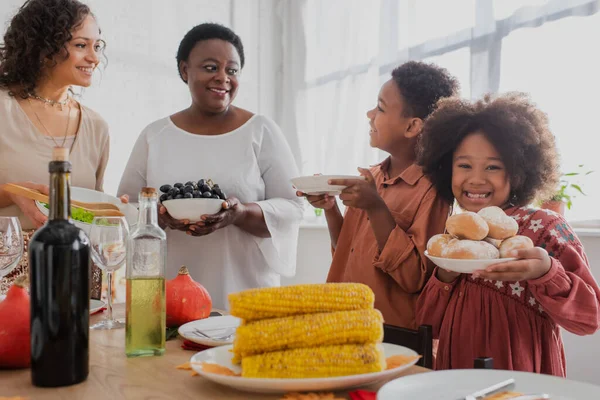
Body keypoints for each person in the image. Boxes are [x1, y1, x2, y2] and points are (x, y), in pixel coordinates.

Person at [118, 23, 303, 310]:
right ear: (184, 70)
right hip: (168, 296)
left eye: (232, 70)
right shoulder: (154, 136)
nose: (222, 78)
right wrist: (159, 217)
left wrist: (239, 213)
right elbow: (127, 206)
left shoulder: (261, 131)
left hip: (245, 293)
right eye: (210, 67)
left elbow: (292, 209)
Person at [415, 92, 600, 376]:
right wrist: (445, 276)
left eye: (493, 166)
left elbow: (589, 318)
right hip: (457, 374)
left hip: (520, 377)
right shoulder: (455, 235)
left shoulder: (544, 227)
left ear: (518, 171)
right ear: (446, 168)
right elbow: (427, 322)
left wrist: (546, 272)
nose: (476, 178)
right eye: (464, 165)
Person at [300, 61, 459, 328]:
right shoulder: (371, 177)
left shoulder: (433, 191)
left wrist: (376, 208)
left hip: (391, 339)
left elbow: (414, 278)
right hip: (344, 323)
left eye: (381, 108)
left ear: (412, 127)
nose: (369, 113)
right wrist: (330, 208)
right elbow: (346, 250)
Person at [0, 0, 114, 297]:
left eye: (97, 46)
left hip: (77, 284)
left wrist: (112, 213)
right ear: (44, 47)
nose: (94, 58)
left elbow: (89, 215)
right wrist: (9, 192)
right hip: (6, 284)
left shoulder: (96, 126)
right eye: (81, 45)